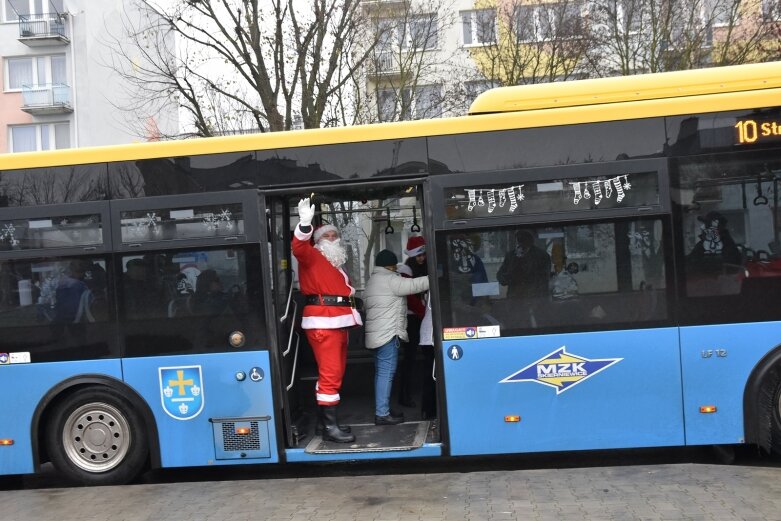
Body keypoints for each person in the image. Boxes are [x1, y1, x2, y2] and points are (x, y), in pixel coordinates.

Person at [292, 197, 361, 443]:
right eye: (327, 236)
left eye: (335, 235)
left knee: (334, 373)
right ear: (318, 242)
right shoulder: (312, 257)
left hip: (337, 322)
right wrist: (304, 224)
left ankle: (325, 425)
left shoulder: (335, 265)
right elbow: (299, 248)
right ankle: (330, 429)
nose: (333, 239)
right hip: (324, 322)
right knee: (331, 374)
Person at [364, 249, 429, 425]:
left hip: (375, 335)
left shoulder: (372, 281)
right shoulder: (390, 279)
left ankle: (382, 406)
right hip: (387, 334)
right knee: (387, 373)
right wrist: (436, 276)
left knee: (380, 373)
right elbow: (414, 285)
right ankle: (382, 413)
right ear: (391, 266)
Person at [396, 235, 427, 408]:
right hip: (412, 318)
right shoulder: (406, 271)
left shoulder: (419, 268)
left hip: (420, 316)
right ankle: (404, 394)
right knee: (409, 358)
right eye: (419, 255)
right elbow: (410, 297)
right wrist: (423, 313)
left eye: (423, 254)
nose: (422, 258)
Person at [496, 230, 551, 299]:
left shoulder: (542, 256)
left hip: (535, 300)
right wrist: (510, 275)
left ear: (531, 239)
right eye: (519, 237)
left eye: (525, 237)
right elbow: (500, 277)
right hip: (515, 300)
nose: (521, 240)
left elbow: (543, 280)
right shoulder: (511, 256)